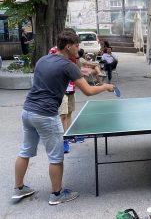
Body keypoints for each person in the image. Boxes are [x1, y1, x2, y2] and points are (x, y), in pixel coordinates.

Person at [12, 31, 114, 205]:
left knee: (25, 151)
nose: (78, 49)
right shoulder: (68, 65)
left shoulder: (43, 60)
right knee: (56, 157)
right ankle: (56, 194)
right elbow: (88, 91)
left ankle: (19, 188)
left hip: (27, 111)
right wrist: (105, 86)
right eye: (76, 45)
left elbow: (49, 78)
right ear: (68, 46)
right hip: (45, 115)